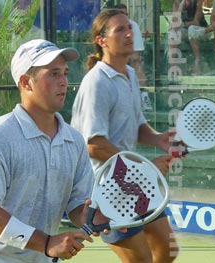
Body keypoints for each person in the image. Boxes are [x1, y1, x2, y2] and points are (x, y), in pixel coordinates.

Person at [0, 39, 98, 262]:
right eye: (53, 74)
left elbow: (77, 203)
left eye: (64, 73)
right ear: (26, 82)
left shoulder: (74, 141)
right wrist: (47, 243)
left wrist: (92, 217)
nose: (63, 82)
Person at [71, 9, 179, 263]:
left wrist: (158, 138)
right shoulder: (96, 82)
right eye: (120, 29)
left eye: (129, 27)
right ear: (102, 40)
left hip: (133, 182)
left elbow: (137, 124)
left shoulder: (129, 74)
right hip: (106, 190)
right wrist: (144, 168)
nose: (129, 33)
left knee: (168, 249)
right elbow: (94, 145)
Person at [170, 0, 211, 75]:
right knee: (173, 33)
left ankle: (197, 63)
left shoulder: (198, 2)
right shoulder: (177, 3)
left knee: (191, 29)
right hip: (186, 30)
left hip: (201, 30)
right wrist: (180, 7)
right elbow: (175, 22)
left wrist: (182, 24)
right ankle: (173, 67)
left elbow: (196, 22)